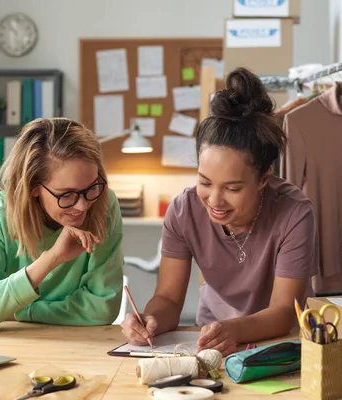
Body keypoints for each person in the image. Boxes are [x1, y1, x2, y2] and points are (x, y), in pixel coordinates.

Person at [120, 68, 319, 356]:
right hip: (212, 342)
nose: (214, 200)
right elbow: (168, 299)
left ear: (264, 177)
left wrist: (233, 330)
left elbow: (283, 312)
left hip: (279, 346)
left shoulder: (294, 213)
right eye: (204, 182)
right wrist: (150, 321)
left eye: (233, 189)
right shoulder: (183, 211)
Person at [0, 117, 124, 333]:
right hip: (15, 345)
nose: (83, 205)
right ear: (33, 187)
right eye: (66, 194)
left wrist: (15, 311)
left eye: (91, 187)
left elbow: (103, 308)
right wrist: (50, 259)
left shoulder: (104, 205)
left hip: (82, 343)